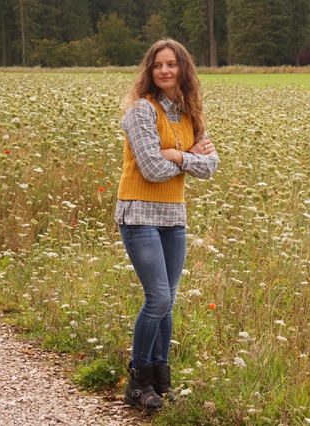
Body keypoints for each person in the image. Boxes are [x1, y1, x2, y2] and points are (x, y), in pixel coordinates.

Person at [115, 39, 218, 411]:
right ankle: (137, 382)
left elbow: (211, 166)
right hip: (139, 214)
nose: (164, 71)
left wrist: (181, 154)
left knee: (168, 301)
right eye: (158, 65)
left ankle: (160, 382)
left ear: (182, 69)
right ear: (150, 70)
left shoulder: (191, 114)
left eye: (171, 64)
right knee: (157, 297)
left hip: (173, 217)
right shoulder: (140, 112)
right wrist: (189, 156)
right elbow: (152, 168)